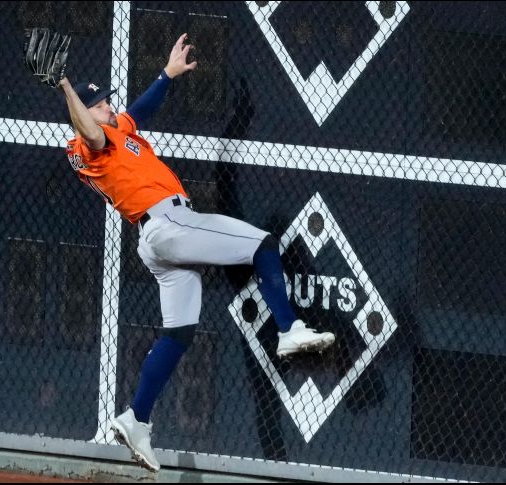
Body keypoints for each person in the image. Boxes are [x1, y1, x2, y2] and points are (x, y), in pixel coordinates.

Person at [59, 33, 335, 472]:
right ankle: (288, 329)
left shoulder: (119, 131)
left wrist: (167, 74)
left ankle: (136, 420)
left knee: (179, 333)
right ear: (85, 114)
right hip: (168, 223)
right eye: (102, 104)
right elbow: (89, 132)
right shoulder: (88, 144)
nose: (110, 107)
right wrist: (66, 86)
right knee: (263, 244)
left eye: (108, 103)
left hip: (158, 241)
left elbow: (139, 111)